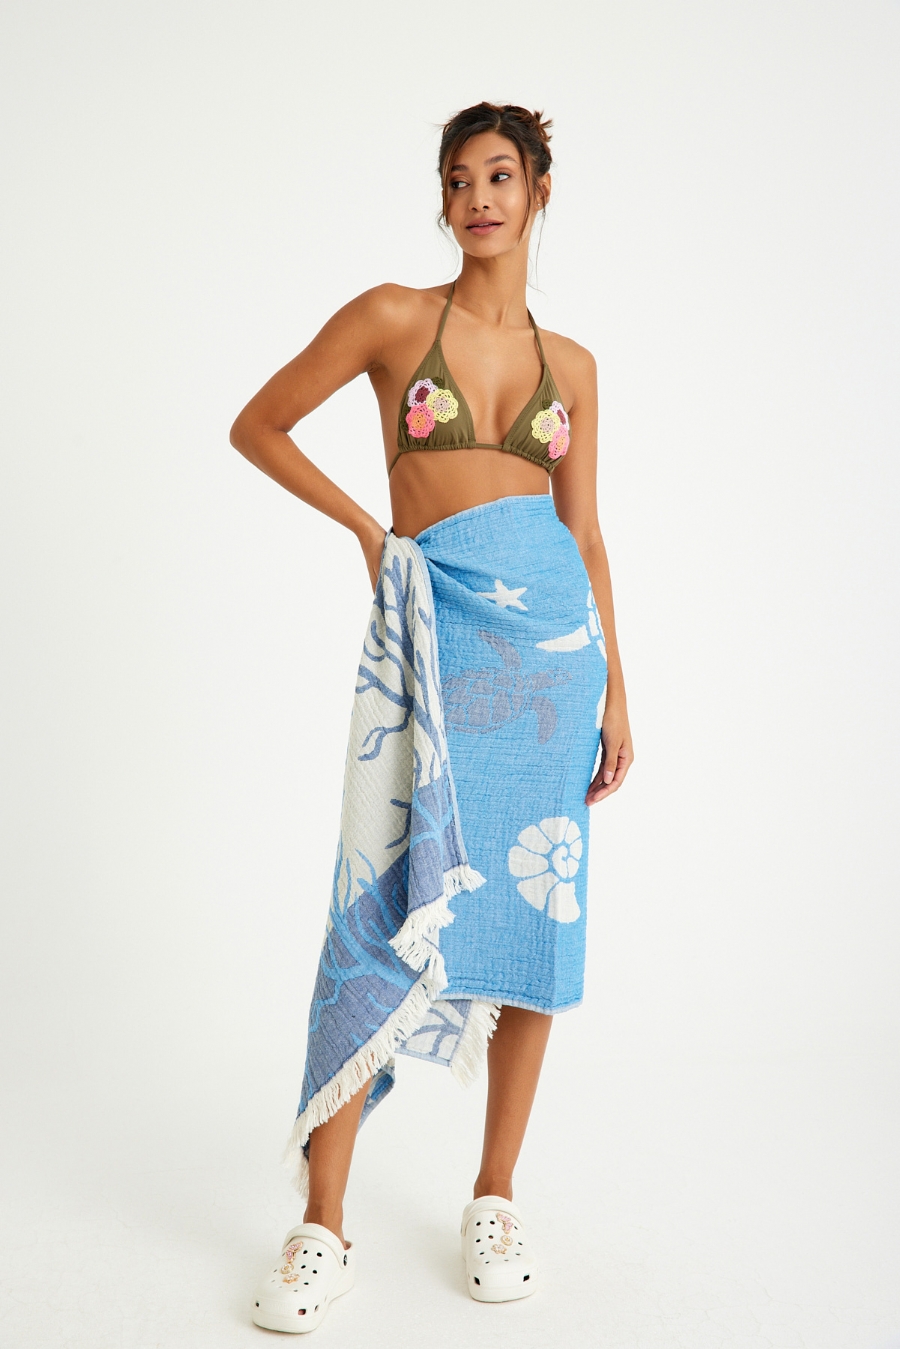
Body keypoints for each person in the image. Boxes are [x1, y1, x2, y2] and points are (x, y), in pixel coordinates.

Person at [230, 101, 633, 1334]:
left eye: (500, 176)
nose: (478, 199)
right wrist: (369, 528)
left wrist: (618, 683)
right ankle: (322, 1221)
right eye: (459, 180)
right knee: (373, 915)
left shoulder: (576, 367)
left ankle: (495, 1193)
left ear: (541, 189)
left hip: (551, 663)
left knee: (533, 920)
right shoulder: (395, 317)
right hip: (433, 644)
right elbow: (258, 424)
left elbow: (584, 532)